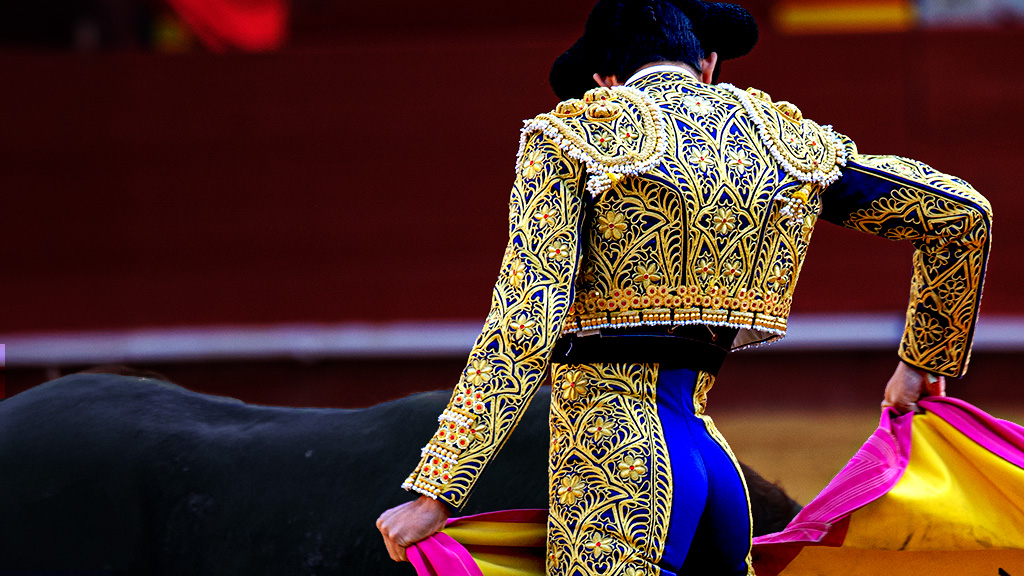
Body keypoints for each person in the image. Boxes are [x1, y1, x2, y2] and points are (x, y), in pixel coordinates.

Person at [377, 0, 992, 574]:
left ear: (604, 80)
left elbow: (525, 322)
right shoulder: (787, 141)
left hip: (615, 467)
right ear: (709, 62)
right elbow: (962, 214)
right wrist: (922, 361)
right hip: (714, 470)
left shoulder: (574, 135)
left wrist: (436, 492)